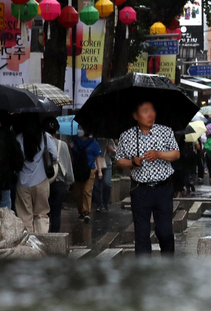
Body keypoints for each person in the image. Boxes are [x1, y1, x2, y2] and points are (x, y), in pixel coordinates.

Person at [116, 100, 180, 256]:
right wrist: (132, 162)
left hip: (163, 188)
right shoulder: (127, 135)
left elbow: (176, 154)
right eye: (145, 111)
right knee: (142, 234)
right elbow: (119, 160)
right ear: (135, 115)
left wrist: (159, 154)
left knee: (164, 231)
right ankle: (144, 271)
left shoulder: (165, 131)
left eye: (152, 110)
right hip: (140, 190)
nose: (150, 114)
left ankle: (169, 263)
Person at [15, 114, 58, 234]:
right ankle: (41, 241)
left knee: (24, 215)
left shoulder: (19, 138)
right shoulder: (45, 137)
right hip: (41, 181)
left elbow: (16, 160)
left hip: (23, 182)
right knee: (41, 214)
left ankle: (27, 244)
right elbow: (54, 156)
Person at [42, 118, 75, 233]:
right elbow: (67, 165)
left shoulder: (41, 143)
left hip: (43, 181)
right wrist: (69, 181)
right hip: (58, 181)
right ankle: (54, 238)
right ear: (57, 130)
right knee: (56, 214)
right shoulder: (63, 145)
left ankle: (43, 235)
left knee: (43, 213)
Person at [70, 126, 103, 223]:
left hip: (90, 170)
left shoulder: (93, 143)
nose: (79, 130)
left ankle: (86, 212)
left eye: (81, 128)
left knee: (87, 191)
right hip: (77, 170)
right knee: (77, 192)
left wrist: (99, 170)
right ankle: (80, 211)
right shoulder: (74, 142)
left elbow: (97, 157)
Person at [93, 138, 116, 212]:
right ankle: (99, 205)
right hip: (96, 164)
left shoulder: (109, 140)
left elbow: (116, 152)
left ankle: (105, 203)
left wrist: (112, 150)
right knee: (96, 185)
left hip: (107, 164)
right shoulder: (94, 140)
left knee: (107, 183)